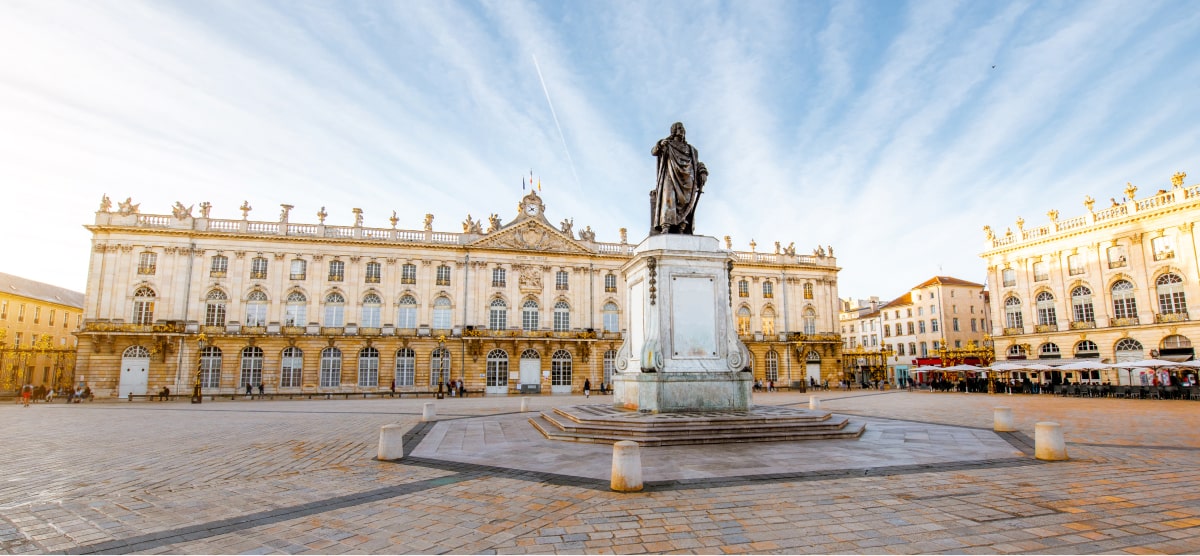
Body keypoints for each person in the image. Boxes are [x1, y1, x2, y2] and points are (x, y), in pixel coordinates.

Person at [650, 122, 708, 235]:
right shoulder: (667, 144)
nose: (682, 130)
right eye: (679, 128)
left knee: (685, 202)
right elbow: (654, 151)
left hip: (688, 178)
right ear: (673, 131)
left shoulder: (692, 150)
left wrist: (703, 171)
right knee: (668, 199)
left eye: (683, 128)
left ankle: (682, 226)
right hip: (670, 175)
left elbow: (697, 163)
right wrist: (660, 144)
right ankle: (666, 225)